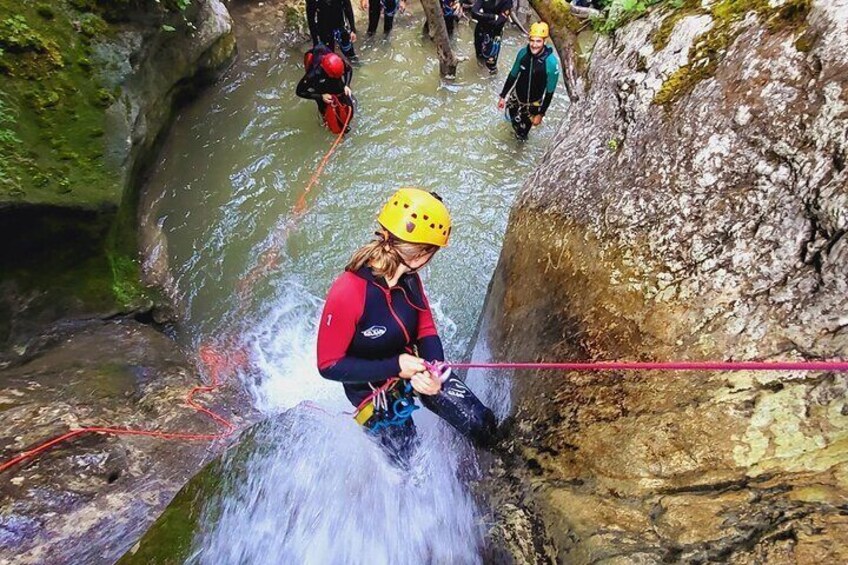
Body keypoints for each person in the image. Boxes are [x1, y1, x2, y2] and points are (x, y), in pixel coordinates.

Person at [316, 188, 496, 463]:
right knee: (408, 461)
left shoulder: (409, 279)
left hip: (415, 368)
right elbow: (329, 365)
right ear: (422, 254)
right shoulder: (348, 292)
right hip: (375, 394)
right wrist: (396, 366)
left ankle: (491, 450)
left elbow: (425, 328)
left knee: (481, 422)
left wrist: (435, 369)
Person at [497, 21, 559, 140]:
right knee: (512, 122)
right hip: (515, 98)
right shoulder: (523, 54)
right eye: (532, 40)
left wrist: (540, 114)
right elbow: (513, 75)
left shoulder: (551, 63)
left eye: (538, 41)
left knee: (521, 136)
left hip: (532, 105)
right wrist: (503, 96)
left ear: (545, 42)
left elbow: (549, 92)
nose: (534, 45)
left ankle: (517, 150)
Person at [296, 44, 355, 134]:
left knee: (346, 103)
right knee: (325, 113)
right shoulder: (313, 74)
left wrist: (347, 85)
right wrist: (321, 96)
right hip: (322, 92)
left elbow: (349, 70)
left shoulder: (339, 62)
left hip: (338, 89)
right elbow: (300, 91)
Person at [471, 0, 512, 73]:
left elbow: (499, 22)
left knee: (491, 65)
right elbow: (473, 12)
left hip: (495, 36)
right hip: (480, 32)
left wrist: (482, 16)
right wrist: (492, 16)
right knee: (479, 58)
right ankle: (480, 75)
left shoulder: (507, 1)